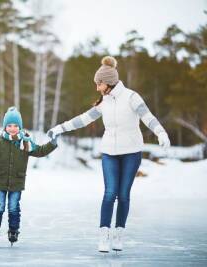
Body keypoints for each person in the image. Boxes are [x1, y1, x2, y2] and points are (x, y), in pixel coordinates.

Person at [47, 56, 171, 253]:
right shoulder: (104, 102)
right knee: (109, 193)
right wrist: (59, 128)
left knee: (123, 195)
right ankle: (104, 236)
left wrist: (161, 132)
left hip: (131, 153)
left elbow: (148, 117)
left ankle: (118, 234)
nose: (97, 88)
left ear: (109, 82)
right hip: (109, 153)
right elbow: (83, 119)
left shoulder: (131, 97)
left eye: (99, 83)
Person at [0, 107, 58, 246]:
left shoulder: (25, 142)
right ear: (5, 127)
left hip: (17, 182)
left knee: (14, 207)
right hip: (0, 181)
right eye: (9, 125)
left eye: (15, 125)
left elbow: (40, 151)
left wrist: (52, 144)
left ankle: (13, 230)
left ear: (20, 126)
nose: (12, 128)